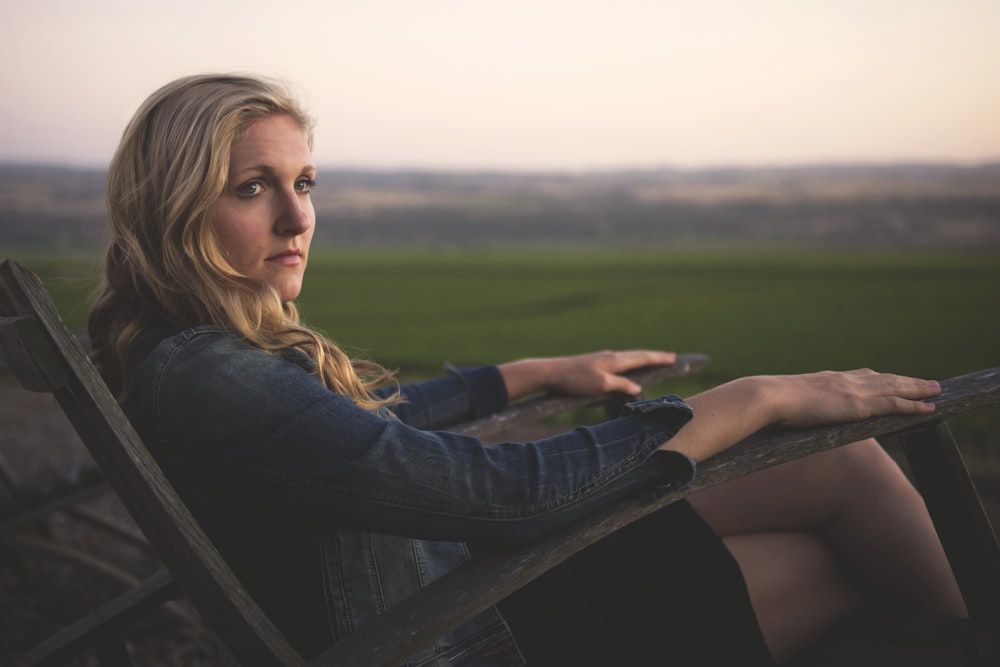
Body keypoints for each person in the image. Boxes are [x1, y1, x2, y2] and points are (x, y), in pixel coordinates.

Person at [88, 73, 965, 666]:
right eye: (253, 187)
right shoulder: (208, 370)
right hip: (478, 622)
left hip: (466, 579)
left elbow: (365, 440)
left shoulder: (193, 354)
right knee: (843, 514)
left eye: (305, 182)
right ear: (175, 207)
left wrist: (530, 370)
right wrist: (756, 396)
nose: (296, 217)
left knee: (838, 474)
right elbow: (503, 492)